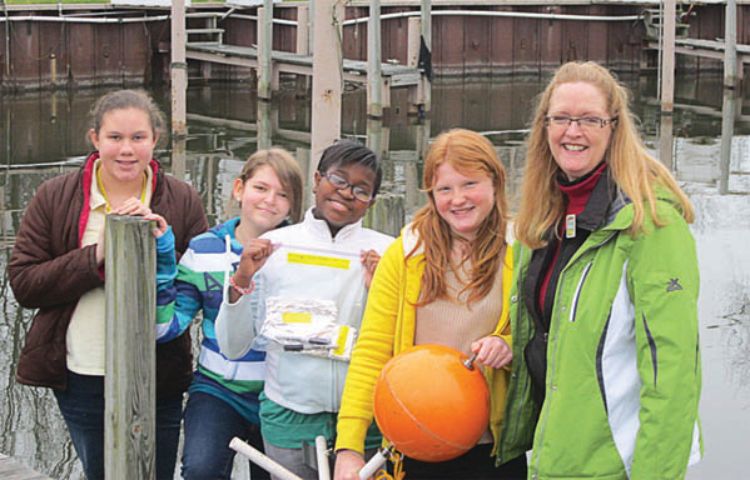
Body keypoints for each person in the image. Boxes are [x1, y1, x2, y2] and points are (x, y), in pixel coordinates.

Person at [496, 61, 702, 479]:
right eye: (562, 119)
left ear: (613, 127)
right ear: (544, 126)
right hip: (553, 460)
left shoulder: (651, 226)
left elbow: (674, 373)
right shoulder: (539, 221)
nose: (573, 132)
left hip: (615, 466)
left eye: (590, 119)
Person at [8, 89, 208, 480]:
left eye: (138, 138)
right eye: (115, 138)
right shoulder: (55, 197)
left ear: (156, 139)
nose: (127, 150)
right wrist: (98, 255)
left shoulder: (181, 199)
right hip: (83, 371)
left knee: (157, 472)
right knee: (102, 472)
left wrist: (160, 251)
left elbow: (198, 286)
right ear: (95, 139)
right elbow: (25, 284)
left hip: (159, 371)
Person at [334, 128, 527, 480]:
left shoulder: (523, 253)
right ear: (431, 193)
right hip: (415, 445)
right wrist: (349, 447)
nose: (458, 199)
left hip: (494, 450)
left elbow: (545, 342)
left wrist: (508, 347)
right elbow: (372, 351)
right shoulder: (405, 253)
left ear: (496, 183)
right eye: (445, 189)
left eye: (470, 184)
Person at [215, 140, 394, 480]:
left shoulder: (388, 253)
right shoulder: (274, 248)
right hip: (288, 415)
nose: (345, 193)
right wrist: (241, 278)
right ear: (316, 179)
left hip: (366, 420)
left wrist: (380, 290)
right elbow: (233, 346)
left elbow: (398, 347)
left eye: (361, 189)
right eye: (338, 180)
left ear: (372, 200)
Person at [153, 148, 304, 480]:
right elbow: (165, 327)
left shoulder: (301, 253)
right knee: (200, 469)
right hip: (218, 389)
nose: (269, 200)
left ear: (293, 205)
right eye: (261, 188)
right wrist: (164, 254)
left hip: (280, 395)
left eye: (283, 194)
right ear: (239, 189)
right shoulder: (203, 249)